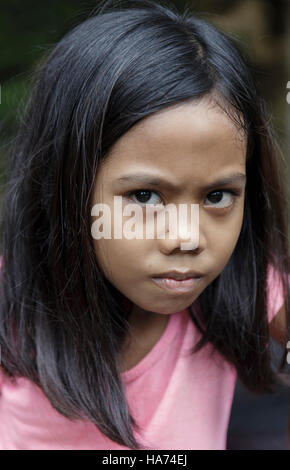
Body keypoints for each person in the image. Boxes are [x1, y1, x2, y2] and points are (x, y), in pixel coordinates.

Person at [0, 0, 289, 450]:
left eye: (217, 197)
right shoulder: (9, 313)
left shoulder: (241, 287)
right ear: (64, 188)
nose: (187, 238)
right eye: (145, 196)